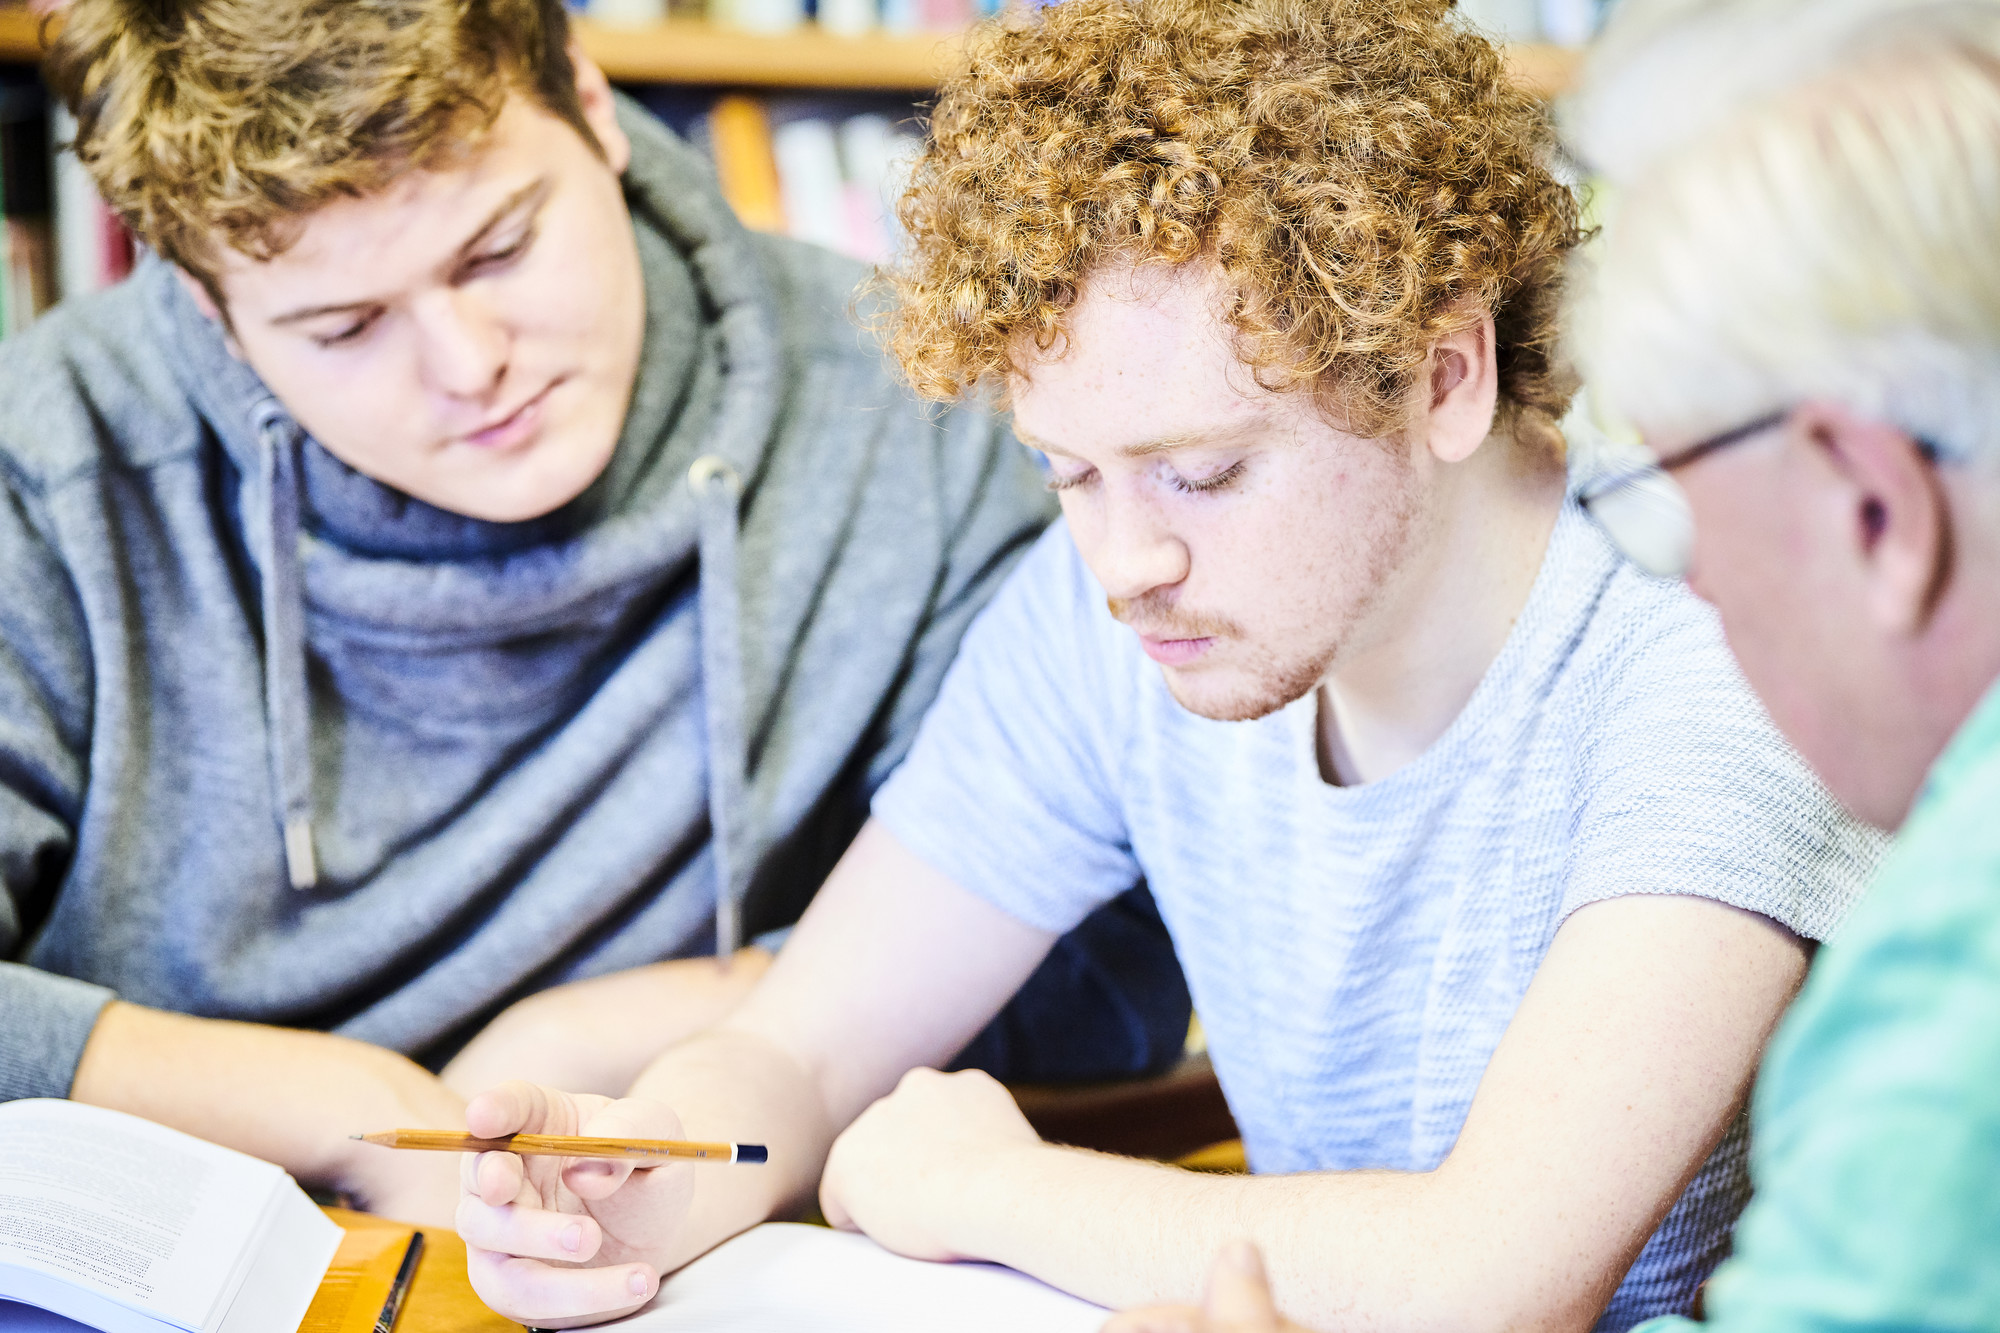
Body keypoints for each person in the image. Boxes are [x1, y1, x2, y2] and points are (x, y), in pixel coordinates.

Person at [452, 2, 1885, 1329]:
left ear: (1446, 374)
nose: (1122, 563)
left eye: (1199, 473)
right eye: (1065, 473)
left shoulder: (1717, 649)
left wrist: (993, 1190)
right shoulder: (1114, 619)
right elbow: (803, 1053)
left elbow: (1491, 1280)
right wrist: (651, 1176)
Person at [0, 0, 1195, 1229]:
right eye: (343, 327)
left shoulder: (910, 412)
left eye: (499, 248)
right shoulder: (49, 466)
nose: (469, 366)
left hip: (699, 1220)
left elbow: (1103, 970)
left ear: (585, 98)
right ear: (206, 302)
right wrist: (343, 1114)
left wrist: (575, 1036)